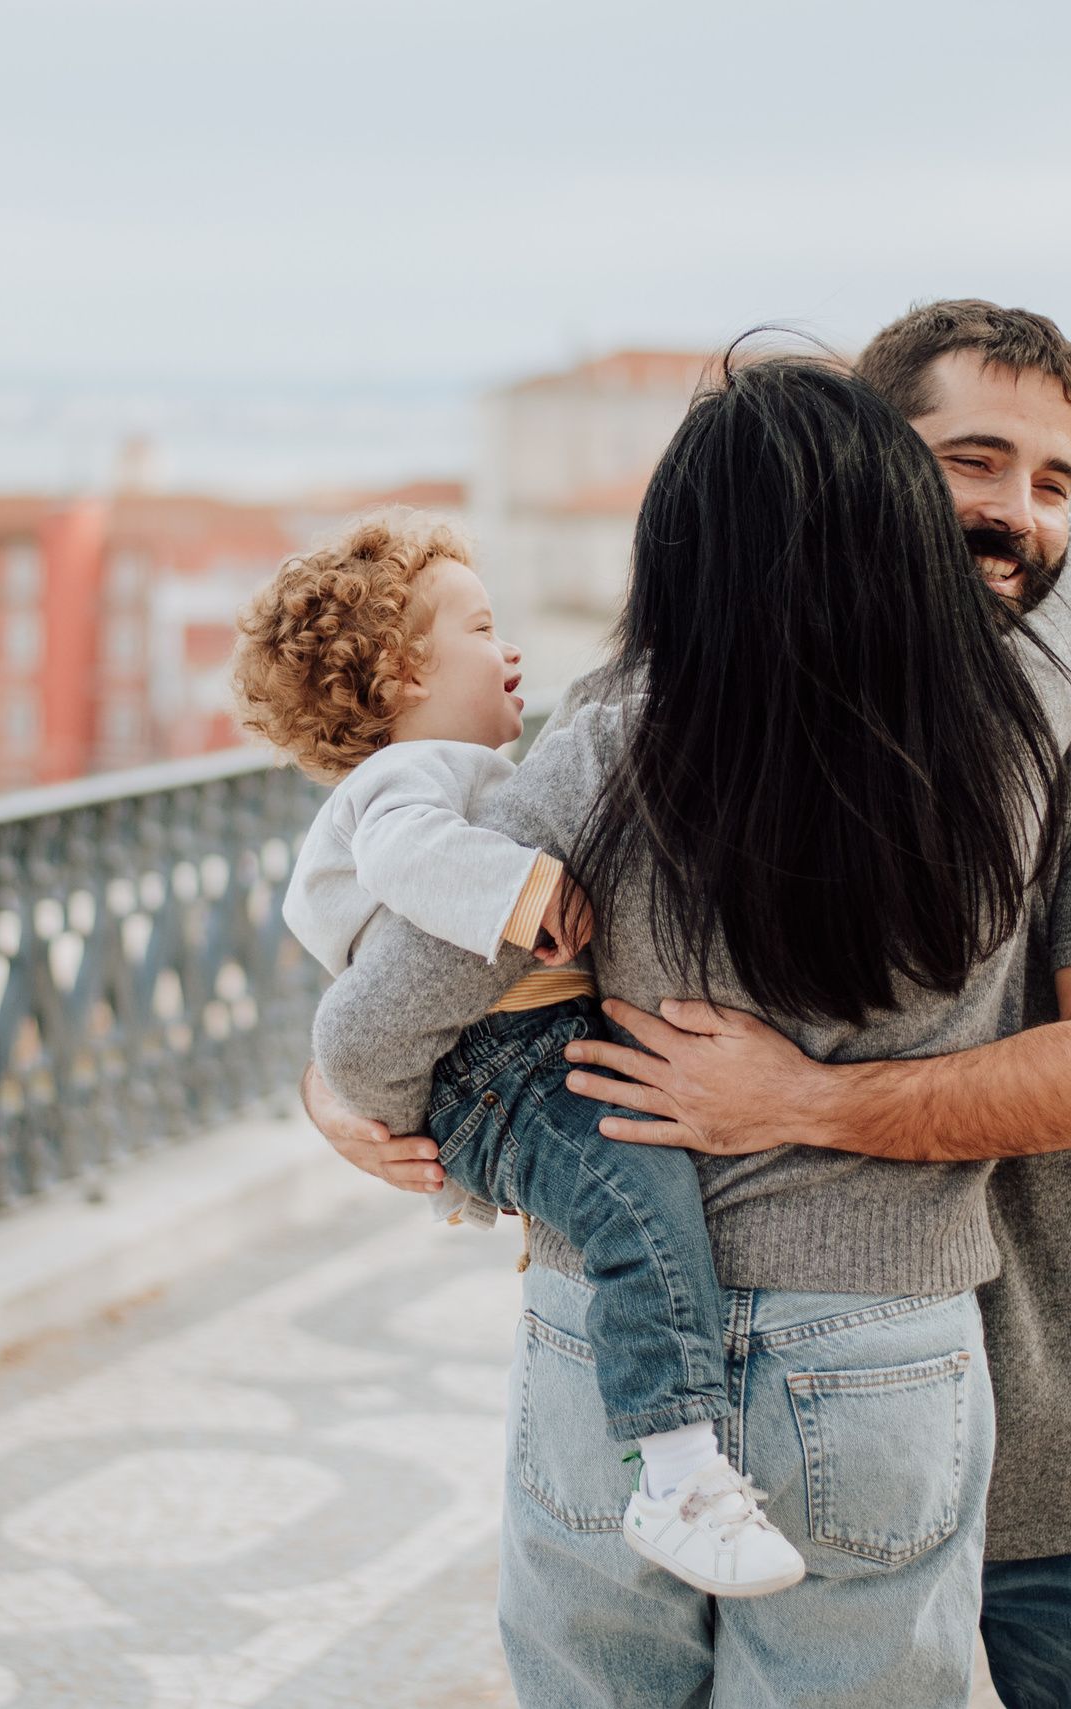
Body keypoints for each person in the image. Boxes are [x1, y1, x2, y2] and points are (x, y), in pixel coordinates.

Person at [309, 304, 1071, 1708]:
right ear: (872, 472)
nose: (1019, 516)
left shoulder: (622, 737)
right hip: (892, 1340)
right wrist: (332, 1102)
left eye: (1058, 487)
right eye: (972, 464)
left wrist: (361, 1086)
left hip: (999, 1386)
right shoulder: (1003, 739)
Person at [234, 507, 808, 1597]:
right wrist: (520, 885)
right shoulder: (403, 780)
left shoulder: (451, 767)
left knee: (634, 1190)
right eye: (481, 627)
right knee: (635, 1201)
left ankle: (678, 1464)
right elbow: (411, 860)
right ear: (397, 676)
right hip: (498, 1058)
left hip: (522, 1051)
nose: (510, 651)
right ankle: (676, 1475)